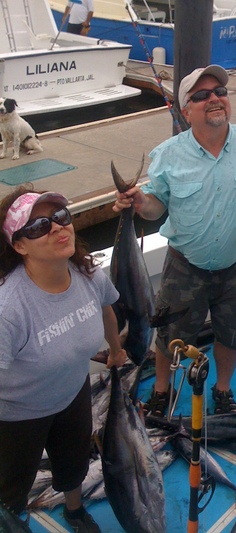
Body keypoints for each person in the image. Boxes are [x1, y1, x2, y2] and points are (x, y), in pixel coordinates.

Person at [113, 64, 236, 417]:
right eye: (202, 95)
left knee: (232, 334)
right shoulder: (168, 154)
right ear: (186, 109)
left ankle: (222, 389)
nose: (214, 99)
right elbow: (156, 205)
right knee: (169, 335)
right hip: (185, 265)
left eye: (220, 92)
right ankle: (161, 389)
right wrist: (139, 202)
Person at [0, 185, 126, 533]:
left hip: (73, 392)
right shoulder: (9, 309)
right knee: (11, 489)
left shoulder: (88, 274)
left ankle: (74, 511)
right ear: (20, 246)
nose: (57, 227)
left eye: (60, 216)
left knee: (74, 464)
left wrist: (116, 349)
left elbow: (106, 310)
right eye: (40, 226)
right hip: (18, 414)